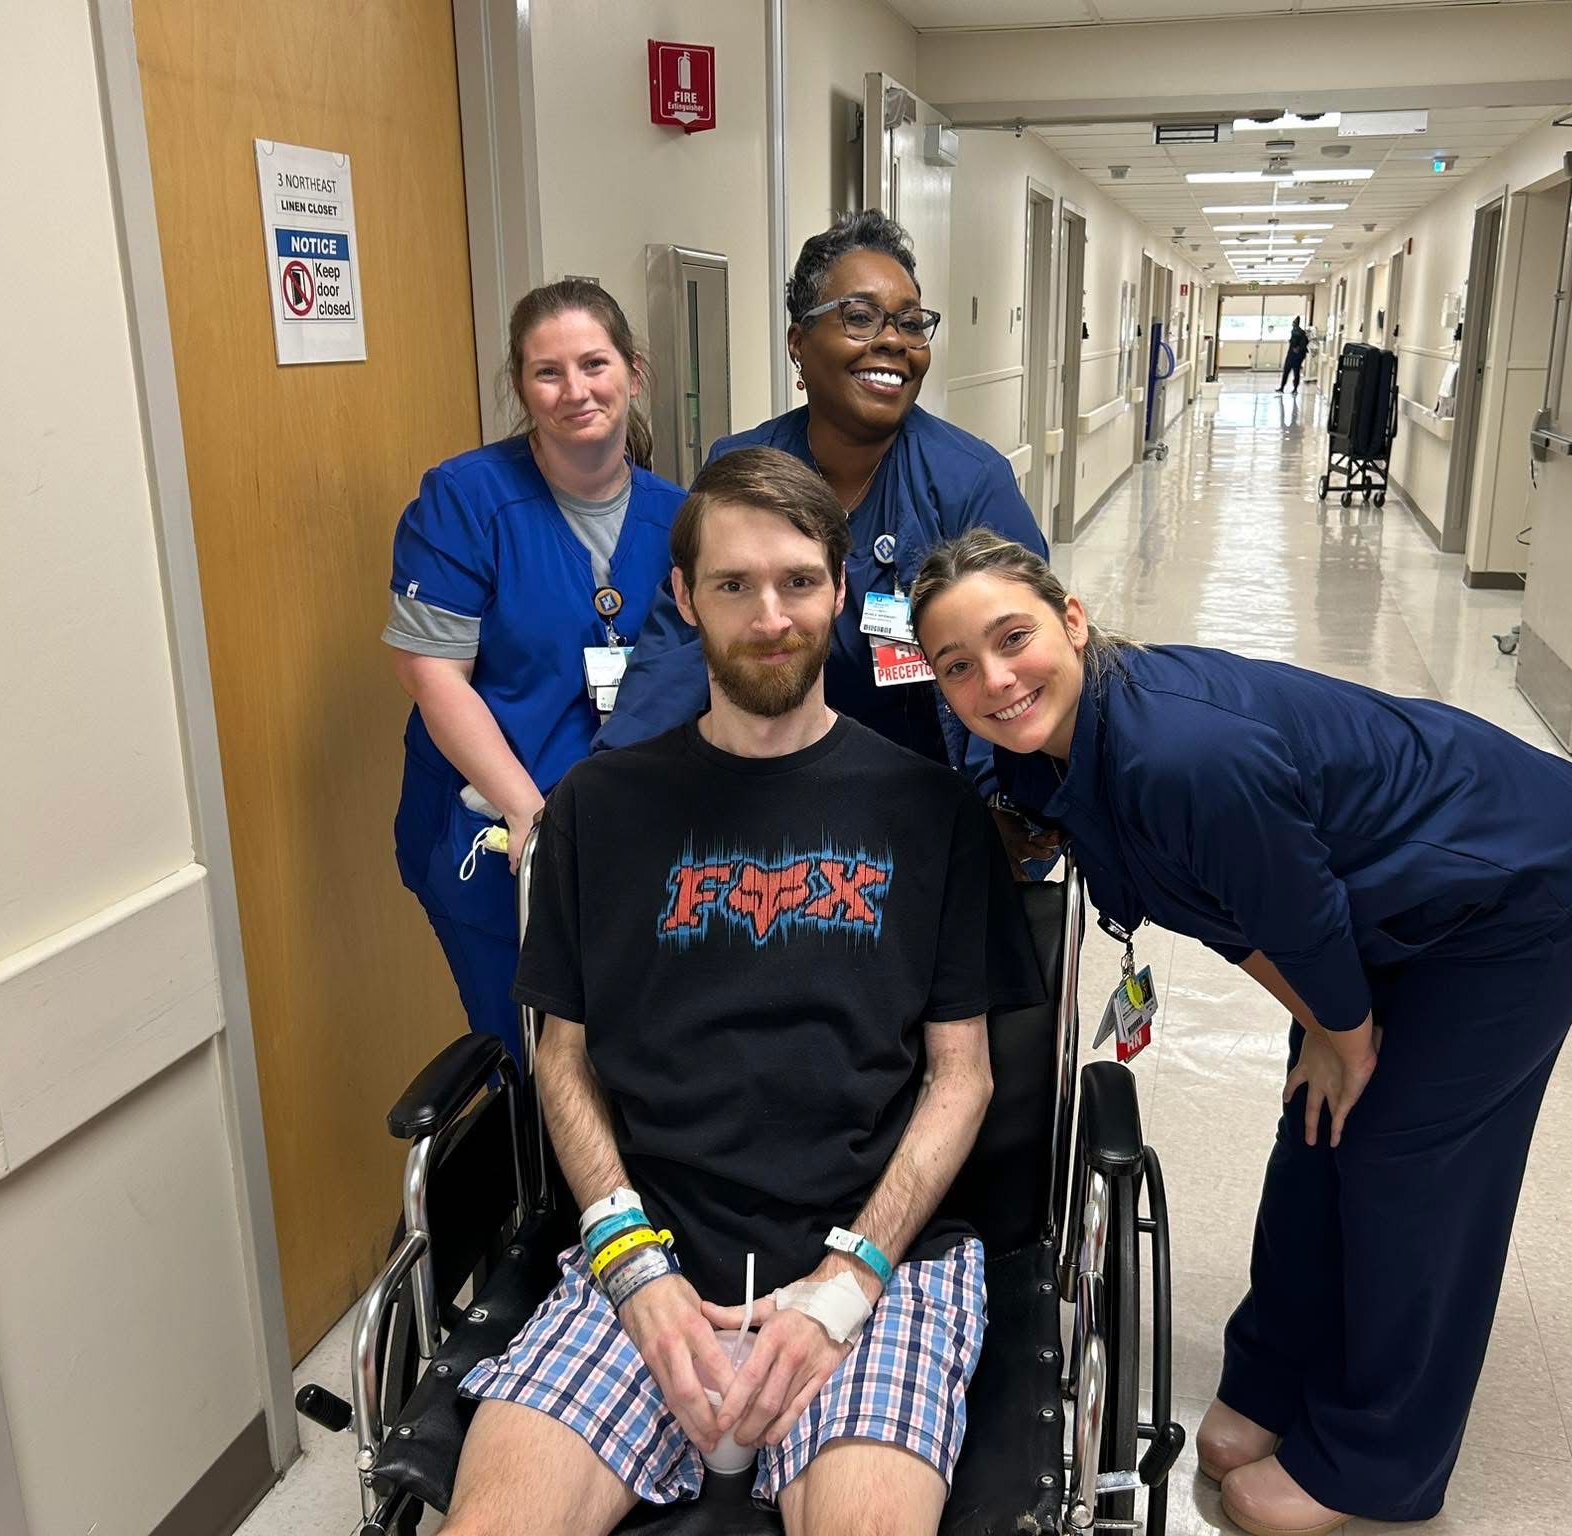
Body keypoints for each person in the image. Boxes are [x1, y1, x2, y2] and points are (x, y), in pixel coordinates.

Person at [909, 530, 1572, 1536]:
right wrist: (1325, 1031)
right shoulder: (1050, 755)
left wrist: (1347, 1037)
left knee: (1400, 1160)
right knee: (1314, 1134)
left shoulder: (1179, 755)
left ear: (1071, 620)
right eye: (956, 665)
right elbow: (1232, 918)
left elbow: (1301, 921)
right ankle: (1276, 1377)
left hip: (1519, 889)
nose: (993, 679)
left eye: (1012, 637)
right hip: (1373, 905)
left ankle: (1375, 1460)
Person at [443, 449, 1035, 1536]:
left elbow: (963, 1078)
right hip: (647, 1249)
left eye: (798, 581)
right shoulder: (597, 810)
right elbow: (562, 1057)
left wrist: (848, 1282)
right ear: (684, 597)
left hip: (881, 1260)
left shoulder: (932, 813)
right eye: (732, 584)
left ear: (841, 591)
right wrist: (631, 1266)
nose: (769, 617)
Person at [597, 210, 1048, 798]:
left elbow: (1019, 660)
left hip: (922, 791)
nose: (893, 340)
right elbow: (683, 639)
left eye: (911, 323)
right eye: (859, 317)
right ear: (798, 344)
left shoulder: (968, 481)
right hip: (765, 782)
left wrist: (997, 807)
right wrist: (613, 780)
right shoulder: (742, 467)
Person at [383, 280, 682, 1060]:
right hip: (497, 835)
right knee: (532, 1056)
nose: (575, 391)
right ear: (521, 387)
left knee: (634, 1057)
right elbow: (431, 673)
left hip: (633, 838)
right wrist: (531, 817)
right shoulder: (466, 499)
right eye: (548, 372)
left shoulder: (682, 516)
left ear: (633, 372)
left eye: (594, 364)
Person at [1279, 317, 1310, 393]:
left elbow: (1305, 342)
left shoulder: (1301, 332)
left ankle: (1294, 388)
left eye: (1294, 323)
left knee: (1295, 373)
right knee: (1286, 371)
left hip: (1297, 356)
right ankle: (1282, 387)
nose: (1293, 324)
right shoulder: (1293, 331)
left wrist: (1298, 348)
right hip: (1291, 355)